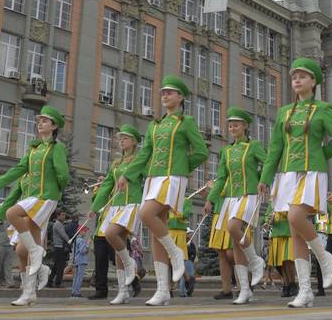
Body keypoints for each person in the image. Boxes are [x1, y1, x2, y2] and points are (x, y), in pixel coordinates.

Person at [259, 58, 332, 308]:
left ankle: (324, 257)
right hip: (287, 174)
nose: (297, 80)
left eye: (303, 76)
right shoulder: (284, 112)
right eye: (294, 76)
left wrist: (320, 155)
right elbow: (275, 147)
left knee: (295, 218)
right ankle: (305, 290)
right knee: (295, 231)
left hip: (311, 172)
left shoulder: (323, 109)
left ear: (314, 82)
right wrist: (266, 178)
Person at [118, 76, 207, 307]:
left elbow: (201, 152)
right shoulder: (154, 125)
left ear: (180, 97)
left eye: (170, 92)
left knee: (145, 214)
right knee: (158, 233)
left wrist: (182, 166)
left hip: (172, 178)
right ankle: (162, 290)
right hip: (153, 178)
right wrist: (127, 174)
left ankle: (177, 253)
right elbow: (145, 154)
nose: (165, 96)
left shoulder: (186, 122)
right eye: (163, 92)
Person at [0, 105, 69, 306]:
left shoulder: (57, 148)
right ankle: (29, 291)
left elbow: (63, 174)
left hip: (45, 198)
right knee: (22, 251)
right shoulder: (33, 149)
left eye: (45, 121)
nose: (40, 123)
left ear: (54, 126)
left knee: (13, 214)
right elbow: (18, 170)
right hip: (32, 201)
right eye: (39, 120)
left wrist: (56, 190)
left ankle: (38, 255)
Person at [204, 107, 267, 304]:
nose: (232, 128)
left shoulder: (254, 146)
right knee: (236, 245)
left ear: (245, 126)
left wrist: (263, 181)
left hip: (249, 194)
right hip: (230, 198)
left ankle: (256, 260)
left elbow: (267, 163)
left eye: (236, 124)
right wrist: (211, 199)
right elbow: (221, 178)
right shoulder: (226, 151)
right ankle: (245, 290)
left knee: (233, 227)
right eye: (230, 125)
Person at [89, 124, 144, 305]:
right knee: (117, 248)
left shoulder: (140, 159)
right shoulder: (116, 163)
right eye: (119, 138)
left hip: (132, 203)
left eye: (125, 138)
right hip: (115, 205)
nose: (121, 141)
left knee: (111, 234)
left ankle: (131, 264)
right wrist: (96, 207)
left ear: (134, 141)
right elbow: (106, 186)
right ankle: (123, 291)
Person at [264, 204, 296, 298]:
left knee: (287, 260)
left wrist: (281, 213)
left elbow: (293, 215)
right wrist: (269, 219)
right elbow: (265, 217)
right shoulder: (272, 202)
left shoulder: (289, 202)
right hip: (276, 233)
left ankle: (292, 284)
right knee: (279, 263)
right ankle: (286, 285)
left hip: (288, 232)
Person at [49, 211, 69, 287]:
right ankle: (58, 283)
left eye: (64, 215)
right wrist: (69, 240)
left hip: (58, 247)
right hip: (59, 247)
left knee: (55, 266)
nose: (64, 216)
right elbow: (64, 236)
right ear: (58, 216)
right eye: (62, 214)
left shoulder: (59, 224)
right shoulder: (58, 225)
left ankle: (50, 282)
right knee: (60, 266)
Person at [70, 226, 90, 298]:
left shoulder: (76, 240)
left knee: (75, 277)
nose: (85, 232)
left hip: (76, 260)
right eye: (85, 231)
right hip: (82, 260)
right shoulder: (81, 240)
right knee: (79, 277)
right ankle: (77, 292)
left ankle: (73, 291)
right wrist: (88, 244)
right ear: (81, 231)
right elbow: (83, 251)